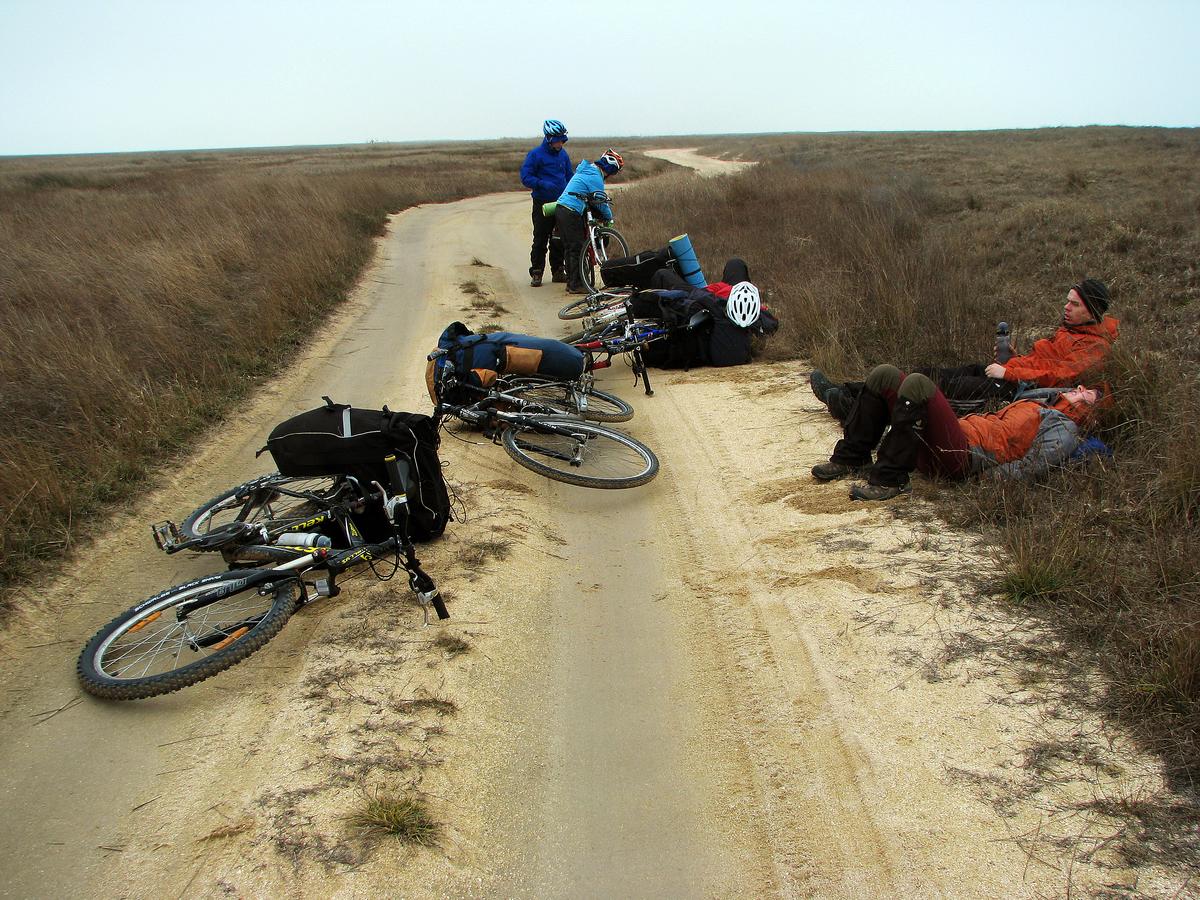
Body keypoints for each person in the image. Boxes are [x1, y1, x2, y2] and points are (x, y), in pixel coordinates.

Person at [811, 278, 1118, 419]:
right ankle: (851, 392)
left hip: (1014, 390)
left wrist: (1010, 372)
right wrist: (1014, 359)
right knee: (926, 374)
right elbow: (1043, 363)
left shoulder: (1095, 347)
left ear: (1091, 311)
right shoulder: (1073, 330)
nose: (1066, 307)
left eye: (1074, 304)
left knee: (934, 392)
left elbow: (1060, 375)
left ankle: (851, 407)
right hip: (1011, 376)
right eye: (1067, 301)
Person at [811, 363, 1103, 500]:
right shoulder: (1042, 402)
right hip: (951, 439)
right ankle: (853, 457)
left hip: (964, 455)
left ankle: (890, 479)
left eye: (1087, 394)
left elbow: (1037, 462)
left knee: (918, 384)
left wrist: (990, 480)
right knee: (883, 375)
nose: (1079, 389)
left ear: (1090, 411)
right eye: (1080, 387)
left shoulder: (1064, 425)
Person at [554, 149, 624, 294]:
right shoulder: (595, 177)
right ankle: (576, 285)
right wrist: (609, 218)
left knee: (570, 248)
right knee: (577, 248)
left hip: (561, 209)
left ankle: (572, 283)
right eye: (614, 172)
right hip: (571, 211)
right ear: (610, 169)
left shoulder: (589, 170)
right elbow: (600, 201)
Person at [520, 120, 573, 287]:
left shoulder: (563, 155)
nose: (560, 144)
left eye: (562, 140)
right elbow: (525, 177)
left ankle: (558, 271)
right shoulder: (535, 155)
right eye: (558, 141)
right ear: (549, 138)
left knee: (559, 239)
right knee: (540, 239)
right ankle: (537, 272)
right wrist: (542, 184)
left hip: (561, 203)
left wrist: (572, 190)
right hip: (542, 203)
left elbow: (569, 176)